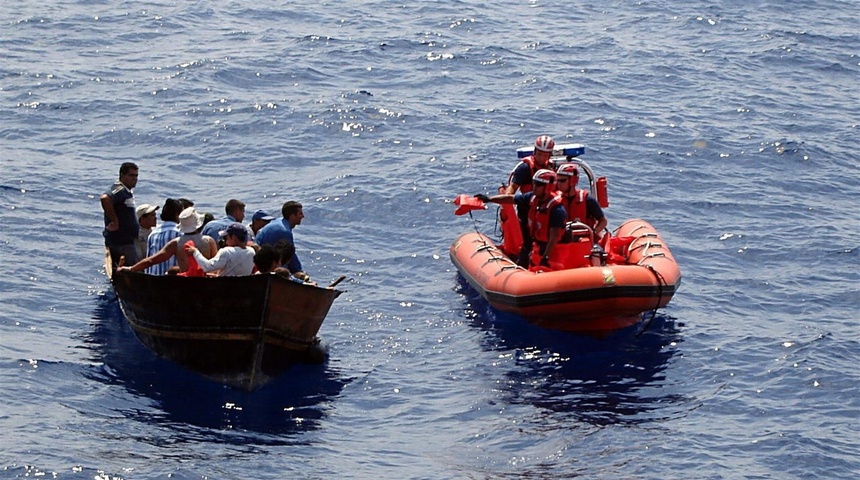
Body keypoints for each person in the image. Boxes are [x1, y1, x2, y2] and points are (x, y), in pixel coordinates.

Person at [476, 169, 567, 268]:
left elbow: (554, 237)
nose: (535, 187)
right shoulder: (533, 197)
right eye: (534, 183)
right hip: (535, 245)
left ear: (548, 187)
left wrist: (545, 257)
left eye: (538, 185)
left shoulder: (557, 210)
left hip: (552, 251)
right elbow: (512, 199)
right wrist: (489, 199)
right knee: (523, 259)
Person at [121, 207, 217, 275]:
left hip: (186, 284)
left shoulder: (176, 243)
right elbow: (216, 265)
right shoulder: (208, 241)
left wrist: (131, 268)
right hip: (205, 285)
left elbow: (151, 260)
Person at [255, 200, 310, 281]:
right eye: (300, 214)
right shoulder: (284, 231)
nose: (303, 216)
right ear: (292, 216)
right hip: (264, 264)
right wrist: (300, 274)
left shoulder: (280, 221)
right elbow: (290, 256)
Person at [101, 162, 140, 269]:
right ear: (122, 175)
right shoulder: (119, 189)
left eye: (136, 175)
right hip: (121, 242)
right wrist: (115, 221)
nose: (135, 178)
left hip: (127, 241)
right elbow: (105, 198)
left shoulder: (126, 192)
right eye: (131, 175)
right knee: (133, 271)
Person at [555, 163, 608, 241]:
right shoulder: (555, 201)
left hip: (584, 242)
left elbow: (603, 221)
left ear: (572, 181)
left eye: (562, 181)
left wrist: (593, 233)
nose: (559, 184)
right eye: (557, 180)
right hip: (561, 242)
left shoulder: (588, 200)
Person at [186, 222, 255, 277]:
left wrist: (195, 252)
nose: (225, 241)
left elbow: (207, 267)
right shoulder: (252, 252)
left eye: (226, 238)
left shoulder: (227, 252)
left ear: (233, 238)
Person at [144, 198, 183, 275]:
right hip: (173, 280)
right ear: (177, 215)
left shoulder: (153, 233)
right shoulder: (180, 234)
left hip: (154, 279)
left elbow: (148, 260)